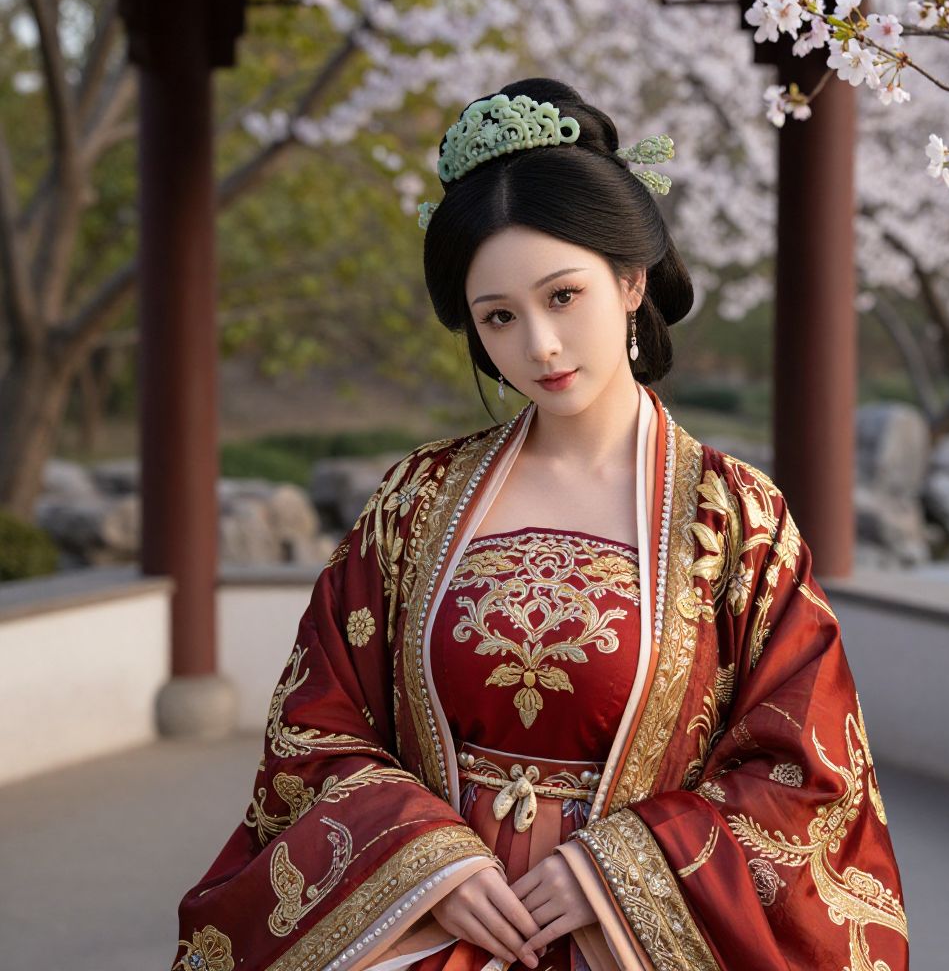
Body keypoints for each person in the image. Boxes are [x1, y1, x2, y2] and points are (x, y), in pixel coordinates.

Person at [172, 78, 909, 971]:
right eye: (500, 319)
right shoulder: (414, 501)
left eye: (564, 297)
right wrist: (426, 859)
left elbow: (809, 777)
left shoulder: (736, 519)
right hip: (435, 926)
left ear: (631, 281)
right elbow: (315, 731)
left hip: (624, 941)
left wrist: (618, 870)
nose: (541, 346)